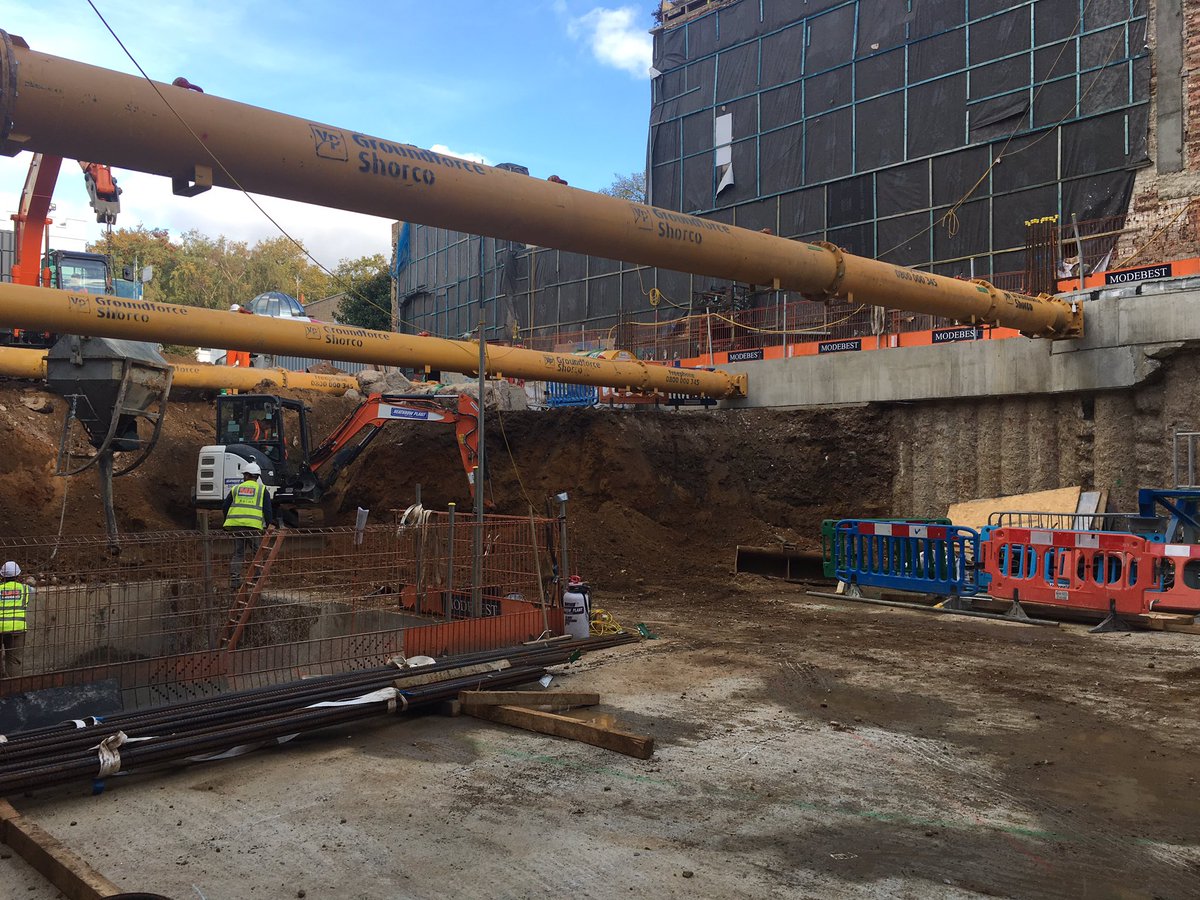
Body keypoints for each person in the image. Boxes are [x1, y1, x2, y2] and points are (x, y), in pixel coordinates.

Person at [223, 462, 273, 591]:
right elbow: (267, 510)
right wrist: (269, 525)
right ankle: (258, 578)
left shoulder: (236, 489)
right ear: (257, 476)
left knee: (238, 553)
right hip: (252, 526)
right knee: (257, 552)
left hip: (236, 526)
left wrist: (227, 521)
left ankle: (235, 580)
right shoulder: (262, 490)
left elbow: (225, 506)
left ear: (246, 475)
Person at [0, 561, 31, 678]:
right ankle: (13, 687)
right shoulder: (25, 589)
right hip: (17, 628)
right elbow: (33, 589)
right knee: (13, 661)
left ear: (2, 576)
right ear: (18, 575)